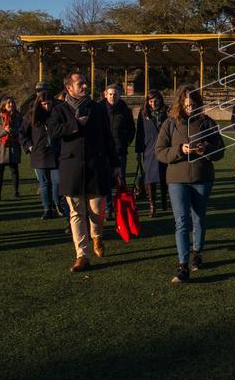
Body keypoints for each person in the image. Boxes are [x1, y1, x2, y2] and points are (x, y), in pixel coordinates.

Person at [49, 71, 122, 272]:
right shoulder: (60, 109)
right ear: (69, 88)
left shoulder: (97, 108)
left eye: (85, 83)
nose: (84, 86)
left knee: (97, 213)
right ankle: (82, 255)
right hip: (71, 168)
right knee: (76, 213)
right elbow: (52, 132)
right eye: (80, 83)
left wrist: (115, 163)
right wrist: (75, 125)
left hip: (96, 167)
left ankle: (97, 235)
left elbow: (108, 136)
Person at [155, 86, 225, 283]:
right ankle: (183, 264)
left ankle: (197, 252)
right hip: (177, 179)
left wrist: (207, 149)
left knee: (199, 218)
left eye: (193, 105)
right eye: (186, 105)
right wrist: (179, 149)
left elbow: (220, 152)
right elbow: (159, 152)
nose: (190, 108)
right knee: (182, 221)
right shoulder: (170, 124)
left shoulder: (207, 123)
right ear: (180, 104)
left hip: (202, 178)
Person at [21, 91, 62, 220]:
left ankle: (58, 205)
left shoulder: (58, 113)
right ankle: (47, 209)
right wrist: (29, 146)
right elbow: (22, 133)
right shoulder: (32, 115)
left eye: (49, 104)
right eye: (44, 104)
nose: (47, 107)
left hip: (56, 153)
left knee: (57, 181)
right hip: (39, 153)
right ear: (39, 104)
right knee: (44, 183)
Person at [135, 89, 169, 217]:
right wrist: (138, 151)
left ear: (160, 100)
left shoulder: (167, 112)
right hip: (149, 149)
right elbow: (139, 132)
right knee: (150, 178)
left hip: (165, 148)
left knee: (165, 176)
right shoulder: (143, 113)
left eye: (155, 101)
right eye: (150, 101)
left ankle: (164, 202)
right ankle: (152, 206)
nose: (153, 104)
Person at [103, 84, 135, 218]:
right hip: (104, 151)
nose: (112, 96)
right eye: (110, 94)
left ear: (119, 94)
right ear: (105, 94)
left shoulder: (125, 110)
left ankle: (121, 207)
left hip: (120, 150)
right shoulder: (99, 108)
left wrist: (126, 142)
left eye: (115, 94)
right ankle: (108, 207)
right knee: (106, 180)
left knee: (120, 179)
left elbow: (131, 129)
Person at [0, 96, 23, 201]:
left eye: (12, 102)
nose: (11, 104)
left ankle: (16, 191)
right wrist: (4, 131)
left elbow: (22, 130)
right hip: (0, 147)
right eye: (8, 103)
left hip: (13, 146)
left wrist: (12, 130)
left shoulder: (19, 116)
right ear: (4, 105)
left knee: (14, 170)